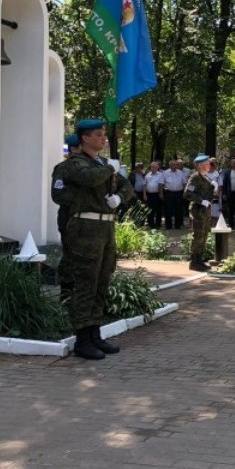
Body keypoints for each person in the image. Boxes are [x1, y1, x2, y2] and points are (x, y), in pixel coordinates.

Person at [57, 119, 135, 360]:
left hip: (106, 227)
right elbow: (88, 179)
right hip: (85, 228)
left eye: (104, 134)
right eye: (98, 135)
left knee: (102, 281)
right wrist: (110, 169)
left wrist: (119, 198)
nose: (104, 138)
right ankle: (82, 339)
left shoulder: (103, 164)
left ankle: (95, 334)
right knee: (85, 283)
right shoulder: (73, 164)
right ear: (85, 138)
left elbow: (127, 186)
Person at [50, 134, 81, 303]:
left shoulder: (92, 167)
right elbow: (57, 194)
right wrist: (82, 200)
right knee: (70, 254)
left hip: (86, 220)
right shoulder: (62, 169)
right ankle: (66, 294)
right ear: (74, 149)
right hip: (69, 218)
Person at [185, 154, 216, 270]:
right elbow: (187, 193)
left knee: (204, 234)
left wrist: (213, 188)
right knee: (198, 235)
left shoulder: (206, 177)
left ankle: (199, 259)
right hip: (197, 210)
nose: (209, 165)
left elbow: (208, 195)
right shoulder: (195, 178)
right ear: (200, 165)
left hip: (205, 211)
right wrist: (201, 201)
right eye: (207, 164)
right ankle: (194, 261)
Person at [161, 158, 188, 229]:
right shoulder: (165, 173)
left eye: (176, 164)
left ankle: (177, 225)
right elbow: (161, 184)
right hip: (168, 193)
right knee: (168, 210)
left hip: (179, 193)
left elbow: (184, 183)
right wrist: (161, 193)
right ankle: (168, 225)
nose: (175, 166)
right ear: (170, 165)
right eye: (173, 164)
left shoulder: (180, 173)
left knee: (178, 209)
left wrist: (185, 192)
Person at [144, 161, 164, 229]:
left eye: (154, 167)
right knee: (150, 210)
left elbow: (161, 185)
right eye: (151, 167)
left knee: (158, 210)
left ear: (157, 167)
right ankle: (151, 224)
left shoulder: (160, 175)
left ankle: (158, 224)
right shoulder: (147, 175)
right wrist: (144, 195)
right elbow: (144, 185)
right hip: (149, 195)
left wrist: (161, 193)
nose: (152, 168)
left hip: (157, 195)